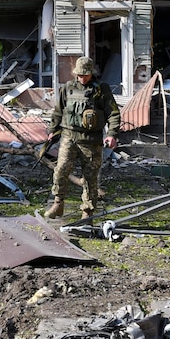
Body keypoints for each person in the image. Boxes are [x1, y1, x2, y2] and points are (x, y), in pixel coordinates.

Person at [45, 56, 121, 220]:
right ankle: (58, 203)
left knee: (90, 177)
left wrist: (112, 134)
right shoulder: (68, 88)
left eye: (85, 74)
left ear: (91, 73)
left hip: (91, 141)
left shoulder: (101, 89)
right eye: (79, 75)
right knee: (61, 170)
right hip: (69, 137)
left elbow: (113, 114)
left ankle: (87, 212)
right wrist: (52, 129)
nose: (82, 77)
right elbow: (58, 111)